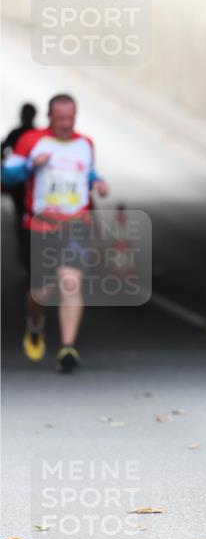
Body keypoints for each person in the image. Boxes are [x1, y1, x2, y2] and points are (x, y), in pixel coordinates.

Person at [1, 93, 109, 372]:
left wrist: (98, 182)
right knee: (42, 292)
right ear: (49, 117)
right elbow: (7, 176)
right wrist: (31, 165)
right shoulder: (31, 141)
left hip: (75, 224)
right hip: (40, 225)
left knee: (71, 282)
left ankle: (67, 346)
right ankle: (35, 324)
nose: (65, 124)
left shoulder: (85, 144)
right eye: (60, 119)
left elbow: (87, 174)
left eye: (70, 118)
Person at [2, 103, 37, 269]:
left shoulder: (17, 133)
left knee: (22, 217)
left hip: (23, 185)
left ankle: (26, 252)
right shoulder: (36, 135)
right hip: (28, 185)